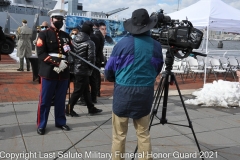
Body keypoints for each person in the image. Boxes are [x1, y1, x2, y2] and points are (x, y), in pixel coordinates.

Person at [104, 8, 164, 160]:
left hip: (123, 93)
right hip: (144, 93)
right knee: (143, 133)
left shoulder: (121, 44)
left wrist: (113, 78)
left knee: (119, 135)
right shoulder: (156, 46)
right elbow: (157, 68)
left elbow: (109, 70)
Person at [36, 9, 72, 135]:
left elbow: (70, 53)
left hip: (63, 72)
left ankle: (60, 122)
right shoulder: (43, 34)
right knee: (45, 100)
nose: (60, 22)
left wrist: (67, 62)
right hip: (49, 71)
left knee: (61, 99)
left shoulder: (66, 36)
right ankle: (41, 124)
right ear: (51, 19)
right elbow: (41, 53)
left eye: (62, 20)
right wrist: (57, 62)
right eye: (57, 19)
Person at [65, 22, 103, 117]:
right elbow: (91, 59)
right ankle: (69, 109)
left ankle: (91, 108)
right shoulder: (90, 43)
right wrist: (91, 70)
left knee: (85, 90)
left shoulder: (73, 41)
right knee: (78, 90)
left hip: (74, 69)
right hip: (84, 70)